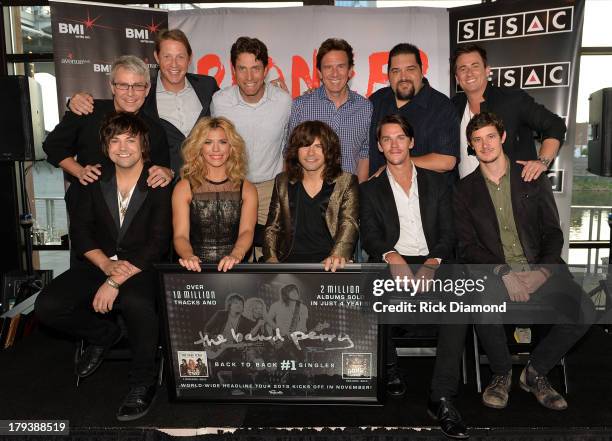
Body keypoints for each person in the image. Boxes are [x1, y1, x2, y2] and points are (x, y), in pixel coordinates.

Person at [35, 112, 172, 421]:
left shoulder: (159, 180)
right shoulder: (92, 178)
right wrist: (105, 267)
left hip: (142, 266)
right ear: (106, 146)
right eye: (115, 140)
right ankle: (104, 335)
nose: (123, 148)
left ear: (143, 145)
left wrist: (115, 280)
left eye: (130, 140)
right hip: (98, 261)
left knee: (138, 303)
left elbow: (159, 240)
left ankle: (142, 382)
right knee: (49, 306)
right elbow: (81, 232)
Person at [454, 111, 592, 411]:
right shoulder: (463, 190)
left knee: (584, 309)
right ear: (471, 146)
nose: (485, 144)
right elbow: (467, 247)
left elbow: (553, 234)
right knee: (480, 301)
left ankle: (535, 372)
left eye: (491, 136)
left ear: (502, 137)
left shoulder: (532, 176)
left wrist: (542, 272)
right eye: (477, 140)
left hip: (540, 267)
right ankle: (501, 373)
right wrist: (504, 272)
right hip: (495, 272)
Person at [360, 114, 467, 440]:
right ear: (380, 146)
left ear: (412, 142)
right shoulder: (370, 189)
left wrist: (433, 263)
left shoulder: (436, 182)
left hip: (433, 259)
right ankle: (389, 365)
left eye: (400, 138)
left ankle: (442, 396)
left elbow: (450, 232)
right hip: (394, 259)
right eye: (387, 139)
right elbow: (371, 234)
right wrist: (392, 256)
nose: (394, 144)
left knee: (459, 300)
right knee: (370, 290)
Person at [69, 29, 219, 177]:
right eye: (167, 56)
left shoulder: (207, 86)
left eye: (180, 57)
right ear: (157, 57)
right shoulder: (141, 93)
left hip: (207, 178)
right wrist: (74, 101)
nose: (174, 64)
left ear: (190, 58)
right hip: (165, 183)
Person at [43, 55, 172, 218]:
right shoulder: (87, 111)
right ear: (112, 87)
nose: (130, 93)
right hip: (87, 210)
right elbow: (53, 145)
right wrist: (79, 171)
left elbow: (164, 168)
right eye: (123, 85)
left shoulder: (155, 128)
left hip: (134, 216)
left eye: (138, 86)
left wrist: (168, 173)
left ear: (147, 89)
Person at [451, 43, 566, 180]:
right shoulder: (452, 106)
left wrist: (542, 161)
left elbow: (555, 125)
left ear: (487, 71)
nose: (469, 73)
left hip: (514, 193)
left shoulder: (512, 100)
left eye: (475, 66)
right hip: (468, 194)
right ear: (457, 78)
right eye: (463, 69)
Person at [211, 36, 292, 229]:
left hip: (270, 189)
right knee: (233, 254)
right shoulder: (220, 101)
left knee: (270, 255)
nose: (249, 77)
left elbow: (288, 144)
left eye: (255, 68)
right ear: (233, 70)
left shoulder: (283, 101)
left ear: (265, 70)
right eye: (242, 69)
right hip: (230, 187)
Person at [264, 120, 359, 270]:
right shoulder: (282, 181)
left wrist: (338, 254)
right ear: (296, 150)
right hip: (288, 262)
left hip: (330, 262)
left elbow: (349, 222)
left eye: (318, 146)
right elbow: (272, 227)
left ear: (329, 150)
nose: (311, 153)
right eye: (305, 145)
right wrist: (271, 260)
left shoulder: (346, 181)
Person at [172, 117, 257, 272]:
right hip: (194, 268)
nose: (216, 149)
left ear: (232, 147)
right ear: (199, 148)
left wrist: (236, 255)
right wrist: (188, 256)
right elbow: (180, 236)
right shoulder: (183, 187)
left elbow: (247, 231)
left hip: (236, 266)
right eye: (208, 142)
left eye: (223, 142)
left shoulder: (247, 188)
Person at [286, 38, 372, 183]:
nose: (335, 73)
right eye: (328, 67)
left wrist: (360, 193)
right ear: (319, 72)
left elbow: (364, 154)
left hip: (348, 195)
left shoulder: (365, 108)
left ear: (350, 70)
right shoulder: (301, 106)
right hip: (309, 196)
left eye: (340, 66)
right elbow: (289, 152)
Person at [368, 43, 459, 175]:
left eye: (410, 69)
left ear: (421, 71)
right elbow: (362, 151)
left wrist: (392, 167)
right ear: (388, 75)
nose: (403, 77)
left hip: (430, 194)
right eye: (396, 71)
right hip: (379, 193)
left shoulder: (441, 106)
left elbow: (446, 161)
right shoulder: (376, 101)